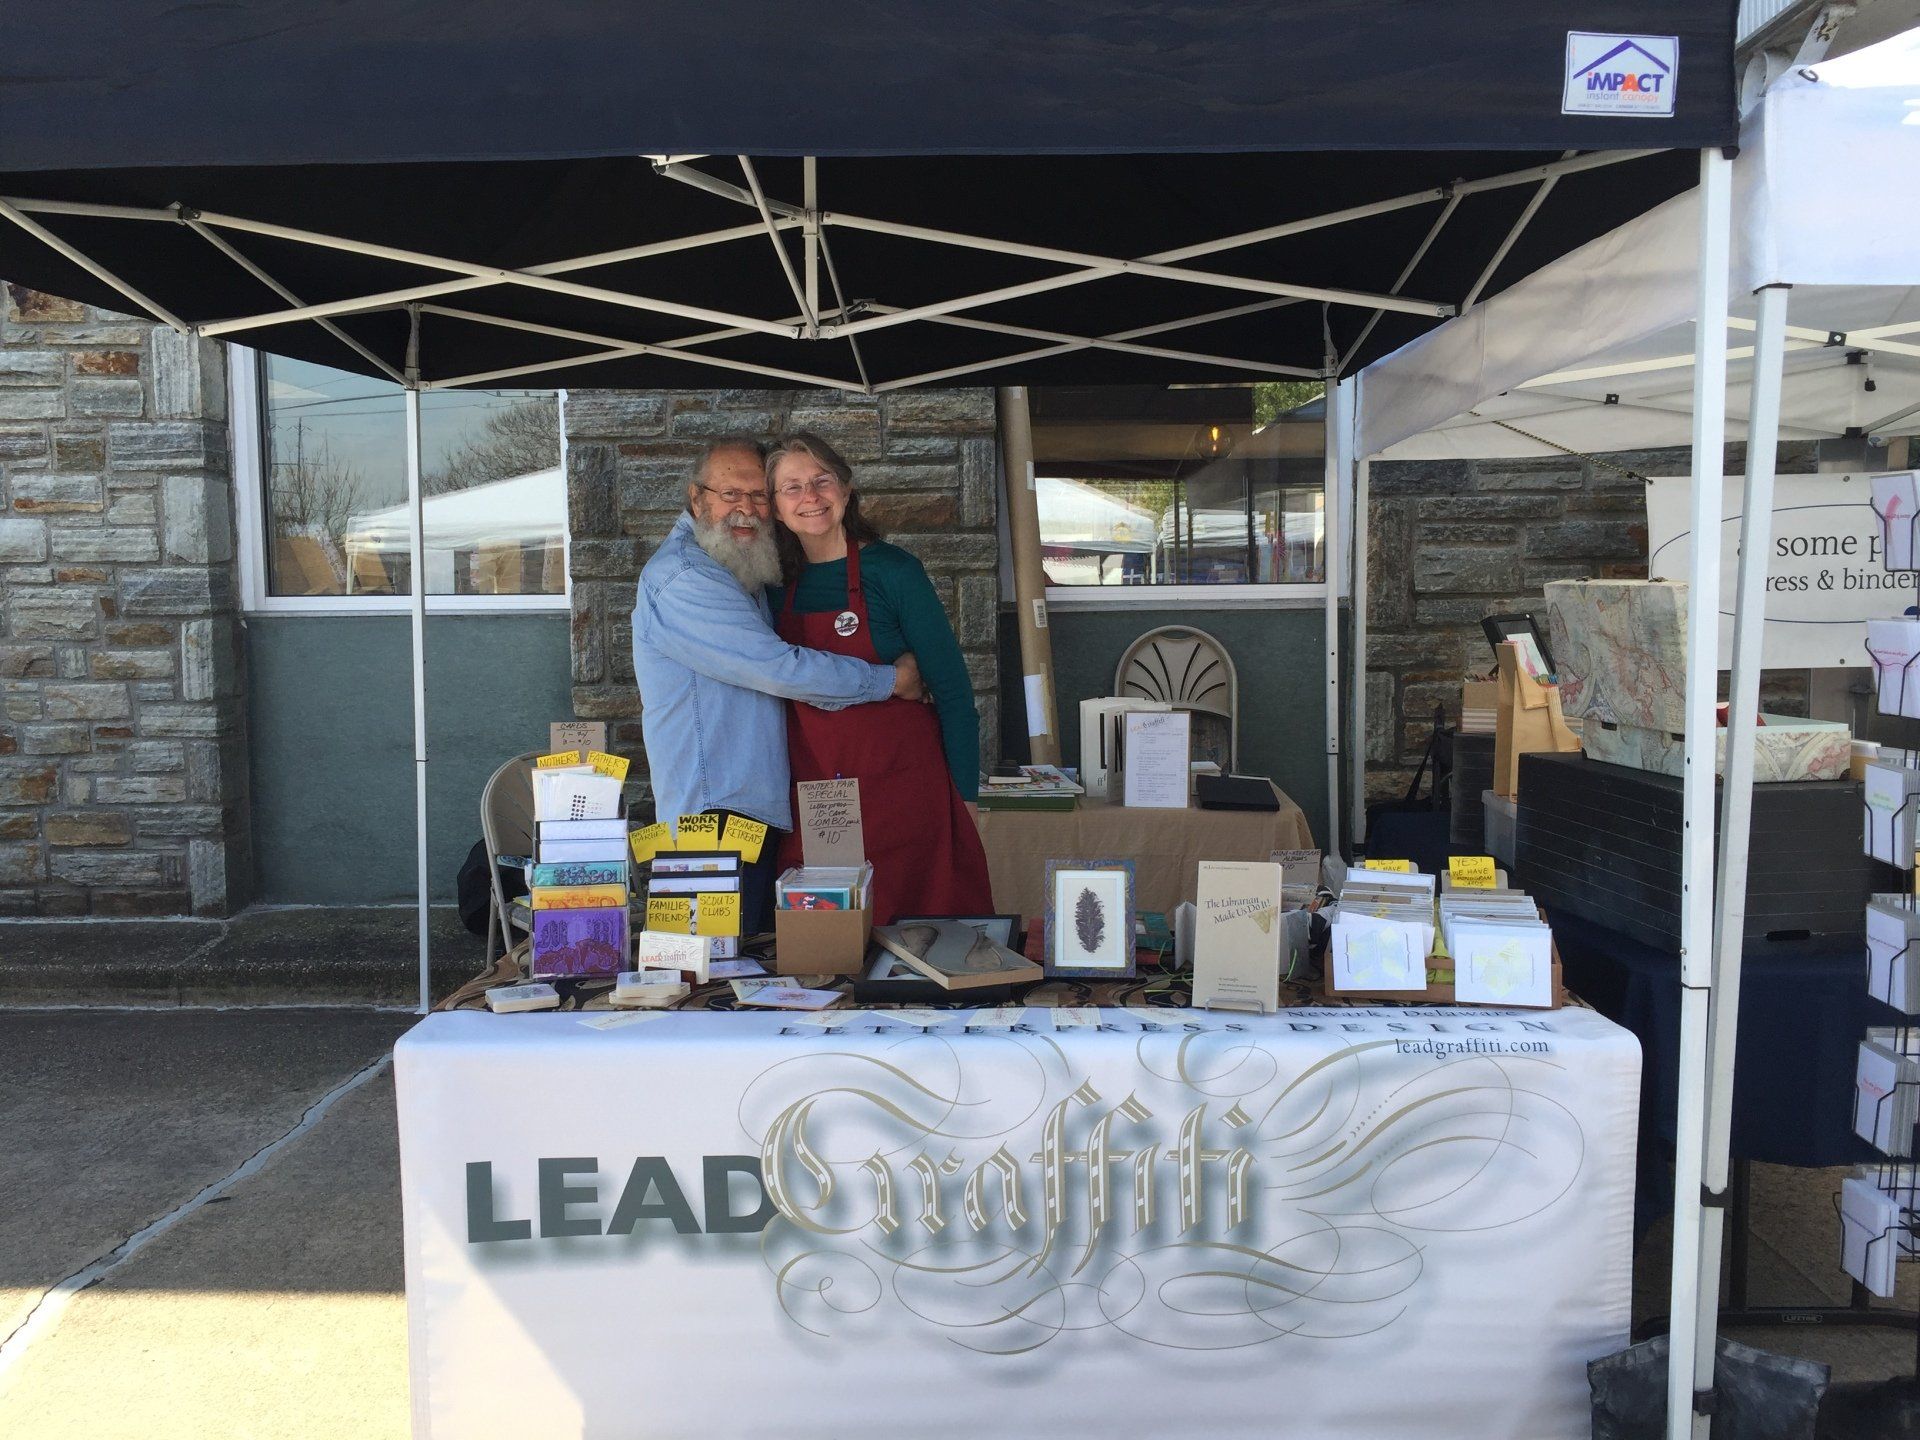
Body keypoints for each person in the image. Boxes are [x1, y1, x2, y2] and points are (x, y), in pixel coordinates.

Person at [631, 438, 925, 934]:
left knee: (743, 971)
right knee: (702, 971)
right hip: (709, 819)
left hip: (746, 809)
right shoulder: (685, 578)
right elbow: (778, 668)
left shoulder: (737, 566)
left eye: (757, 495)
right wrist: (890, 680)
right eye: (729, 494)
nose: (745, 508)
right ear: (696, 498)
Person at [765, 432, 994, 925]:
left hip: (906, 795)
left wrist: (967, 799)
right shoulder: (769, 587)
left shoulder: (894, 572)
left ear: (846, 492)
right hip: (814, 799)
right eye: (792, 487)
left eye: (822, 481)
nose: (810, 497)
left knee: (922, 948)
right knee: (826, 944)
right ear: (776, 508)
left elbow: (954, 694)